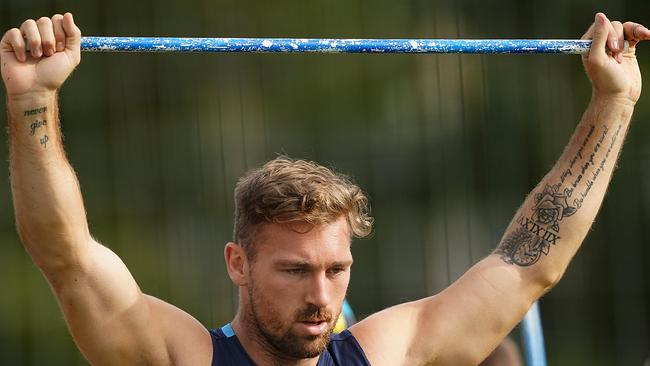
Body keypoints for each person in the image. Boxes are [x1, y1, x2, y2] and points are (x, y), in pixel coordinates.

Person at [1, 11, 648, 366]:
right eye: (294, 270)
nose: (322, 297)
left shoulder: (378, 354)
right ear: (239, 264)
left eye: (336, 269)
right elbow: (65, 254)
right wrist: (32, 98)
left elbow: (528, 264)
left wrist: (615, 104)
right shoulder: (183, 358)